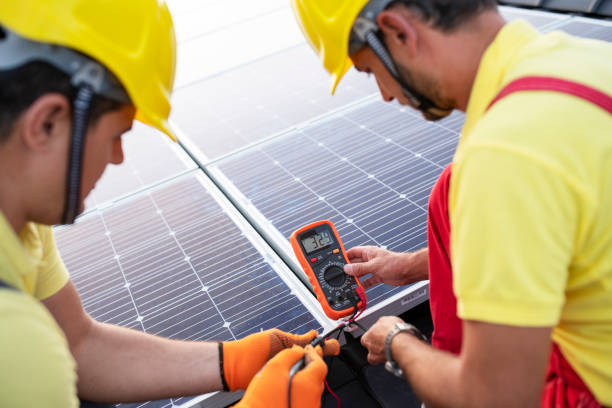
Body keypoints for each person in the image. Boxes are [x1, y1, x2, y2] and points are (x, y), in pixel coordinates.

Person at [0, 1, 338, 407]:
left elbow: (78, 345)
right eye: (117, 134)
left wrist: (231, 362)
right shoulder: (15, 341)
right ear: (46, 123)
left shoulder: (22, 224)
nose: (118, 157)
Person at [291, 0, 612, 406]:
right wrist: (409, 266)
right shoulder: (588, 58)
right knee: (449, 192)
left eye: (371, 71)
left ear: (397, 31)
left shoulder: (502, 155)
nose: (385, 96)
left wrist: (397, 342)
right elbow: (564, 232)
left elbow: (495, 398)